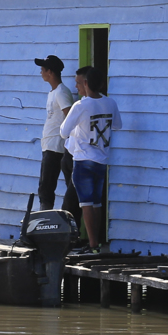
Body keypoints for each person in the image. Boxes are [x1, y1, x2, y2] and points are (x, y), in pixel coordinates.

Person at [60, 65, 121, 251]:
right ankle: (98, 241)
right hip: (102, 159)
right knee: (96, 203)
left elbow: (63, 132)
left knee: (85, 203)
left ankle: (92, 244)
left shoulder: (81, 105)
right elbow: (117, 125)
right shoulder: (110, 103)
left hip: (83, 159)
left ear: (86, 83)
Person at [33, 54, 79, 224]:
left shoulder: (62, 92)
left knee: (47, 186)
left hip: (57, 145)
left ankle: (47, 222)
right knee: (45, 186)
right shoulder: (53, 92)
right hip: (49, 144)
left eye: (43, 69)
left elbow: (70, 118)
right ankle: (46, 221)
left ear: (50, 72)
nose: (41, 72)